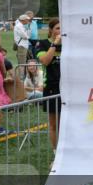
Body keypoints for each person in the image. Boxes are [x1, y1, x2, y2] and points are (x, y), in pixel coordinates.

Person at [35, 18, 62, 148]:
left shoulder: (68, 44)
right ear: (50, 30)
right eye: (57, 28)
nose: (60, 31)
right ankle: (56, 154)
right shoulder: (42, 43)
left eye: (62, 28)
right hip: (52, 87)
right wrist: (55, 44)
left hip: (68, 87)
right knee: (54, 124)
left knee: (66, 124)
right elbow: (45, 61)